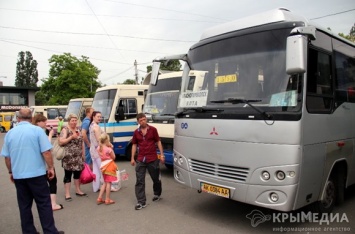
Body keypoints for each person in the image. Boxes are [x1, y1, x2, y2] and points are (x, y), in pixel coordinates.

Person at [0, 108, 64, 234]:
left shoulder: (10, 133)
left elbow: (7, 157)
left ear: (18, 118)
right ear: (32, 117)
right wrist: (50, 168)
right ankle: (50, 231)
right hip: (37, 174)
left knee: (24, 205)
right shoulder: (37, 131)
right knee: (43, 204)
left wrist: (11, 172)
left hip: (19, 175)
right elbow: (46, 152)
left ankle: (29, 231)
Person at [131, 112, 165, 210]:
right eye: (141, 120)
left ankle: (157, 193)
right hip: (141, 159)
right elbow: (134, 145)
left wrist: (162, 155)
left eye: (144, 119)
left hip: (152, 158)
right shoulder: (136, 132)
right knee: (139, 180)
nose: (143, 121)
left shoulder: (153, 130)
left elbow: (158, 142)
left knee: (156, 179)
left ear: (146, 119)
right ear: (138, 122)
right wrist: (132, 158)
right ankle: (141, 202)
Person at [32, 114, 63, 211]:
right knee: (52, 182)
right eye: (44, 121)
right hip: (45, 163)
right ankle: (53, 204)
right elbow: (47, 147)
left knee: (41, 185)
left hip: (37, 163)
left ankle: (44, 204)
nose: (46, 123)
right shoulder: (40, 132)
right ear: (38, 122)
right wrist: (50, 134)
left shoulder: (32, 131)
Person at [59, 113, 87, 201]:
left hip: (78, 156)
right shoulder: (65, 129)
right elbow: (61, 142)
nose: (74, 122)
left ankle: (78, 190)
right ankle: (67, 193)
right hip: (68, 157)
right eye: (72, 121)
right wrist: (71, 137)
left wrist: (83, 154)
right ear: (69, 121)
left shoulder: (78, 129)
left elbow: (82, 142)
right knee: (68, 175)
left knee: (77, 174)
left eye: (75, 121)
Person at [96, 133, 117, 205]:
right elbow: (114, 157)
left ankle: (99, 198)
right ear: (107, 140)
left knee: (104, 182)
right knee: (108, 183)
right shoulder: (108, 149)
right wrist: (111, 147)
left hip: (103, 166)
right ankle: (107, 199)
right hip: (109, 166)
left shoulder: (98, 148)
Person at [89, 111, 104, 192]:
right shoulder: (96, 127)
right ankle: (103, 186)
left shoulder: (91, 125)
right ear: (93, 117)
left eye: (100, 117)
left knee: (95, 170)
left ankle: (95, 187)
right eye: (98, 116)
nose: (99, 118)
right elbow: (99, 140)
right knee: (101, 169)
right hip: (98, 150)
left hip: (93, 150)